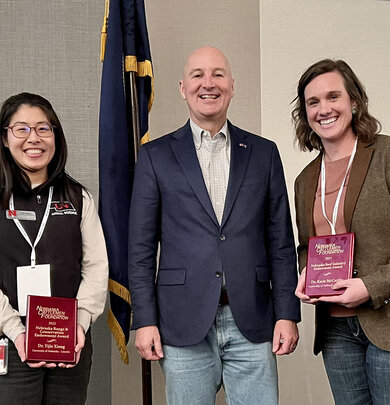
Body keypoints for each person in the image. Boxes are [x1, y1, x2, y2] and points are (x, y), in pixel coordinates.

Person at [128, 46, 301, 405]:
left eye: (218, 74)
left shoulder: (264, 153)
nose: (209, 83)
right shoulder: (155, 156)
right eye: (198, 75)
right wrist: (144, 319)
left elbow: (281, 241)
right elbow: (141, 248)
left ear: (233, 86)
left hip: (252, 319)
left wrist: (287, 313)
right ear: (181, 87)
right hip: (181, 322)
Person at [291, 59, 390, 404]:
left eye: (333, 96)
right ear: (305, 114)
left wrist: (371, 286)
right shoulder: (305, 179)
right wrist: (307, 272)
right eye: (313, 102)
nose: (324, 109)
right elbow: (310, 245)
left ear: (354, 101)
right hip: (336, 330)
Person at [0, 92, 108, 404]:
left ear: (56, 135)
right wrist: (16, 331)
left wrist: (78, 326)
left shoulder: (79, 198)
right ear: (4, 137)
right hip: (8, 342)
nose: (33, 138)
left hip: (70, 343)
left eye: (43, 128)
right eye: (21, 129)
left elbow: (96, 270)